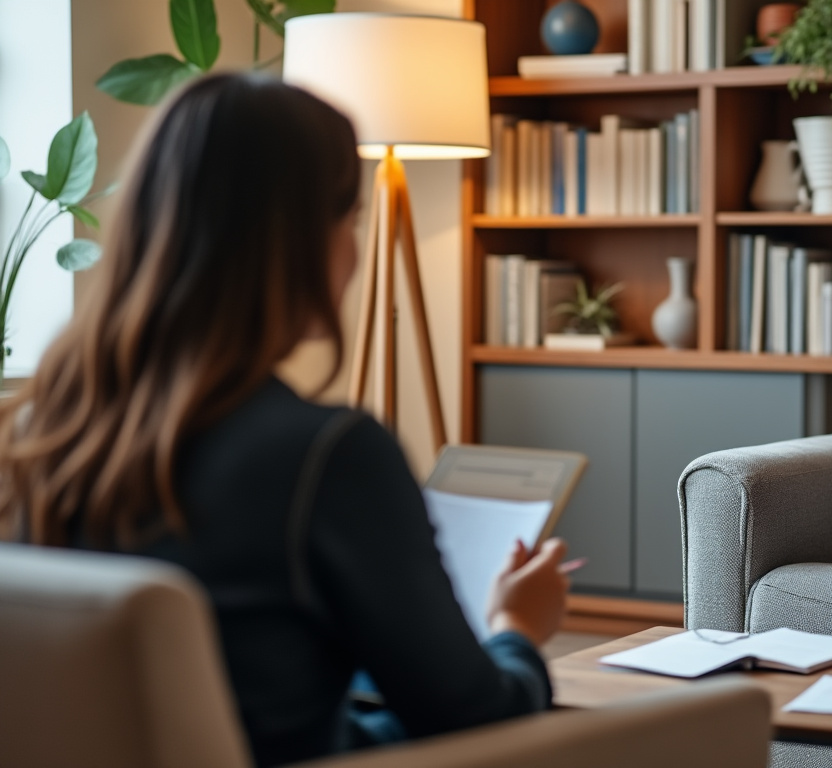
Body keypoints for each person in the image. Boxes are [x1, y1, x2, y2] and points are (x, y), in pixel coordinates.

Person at [0, 73, 570, 768]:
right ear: (299, 241)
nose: (356, 253)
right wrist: (517, 629)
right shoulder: (329, 453)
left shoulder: (46, 433)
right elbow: (478, 720)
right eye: (352, 220)